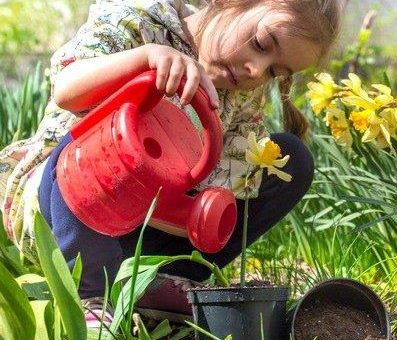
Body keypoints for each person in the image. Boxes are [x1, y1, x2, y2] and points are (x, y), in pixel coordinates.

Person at [0, 0, 341, 326]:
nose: (256, 70)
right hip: (61, 199)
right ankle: (95, 296)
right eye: (262, 43)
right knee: (101, 157)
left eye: (275, 72)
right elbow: (66, 87)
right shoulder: (143, 22)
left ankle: (166, 278)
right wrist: (147, 58)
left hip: (148, 216)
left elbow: (214, 199)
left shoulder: (241, 97)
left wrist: (204, 217)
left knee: (290, 160)